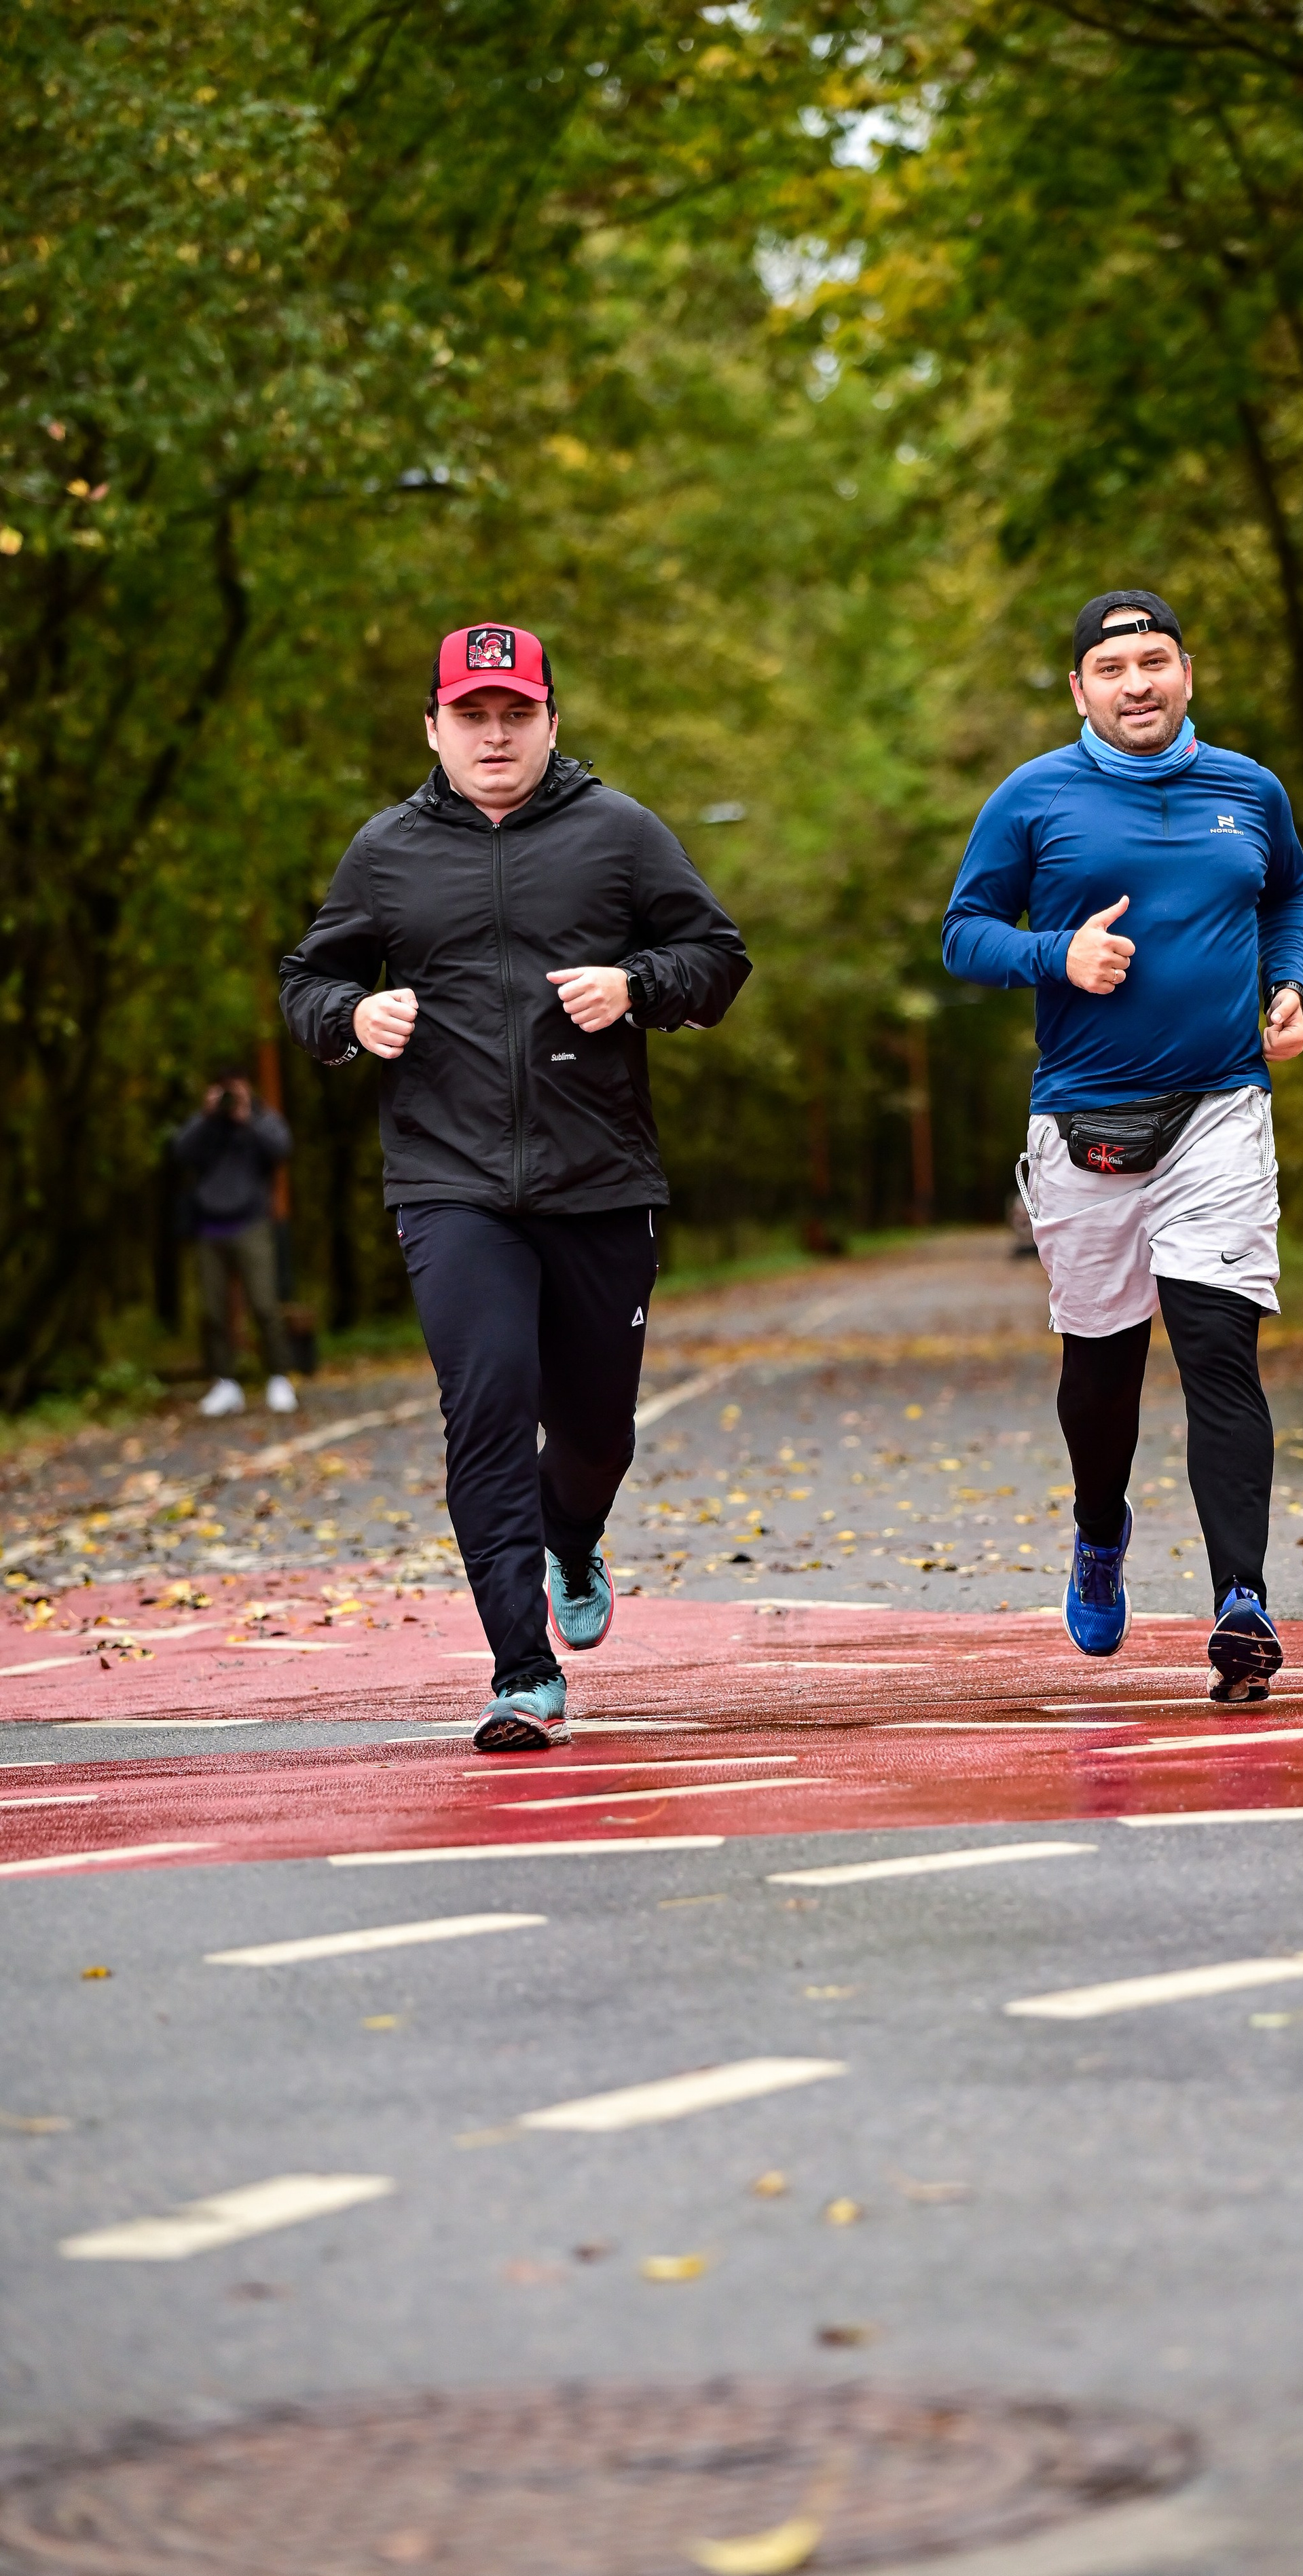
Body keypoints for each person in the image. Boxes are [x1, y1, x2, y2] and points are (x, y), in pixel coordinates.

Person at [279, 621, 750, 1749]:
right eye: (471, 716)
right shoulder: (386, 849)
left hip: (600, 1178)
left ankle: (571, 1537)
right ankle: (522, 1672)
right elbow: (308, 979)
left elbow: (717, 959)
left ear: (550, 721)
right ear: (432, 728)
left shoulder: (619, 831)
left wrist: (635, 985)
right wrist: (352, 1014)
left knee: (594, 1433)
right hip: (449, 1181)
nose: (494, 736)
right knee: (485, 1405)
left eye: (515, 714)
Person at [941, 591, 1303, 1700]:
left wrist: (1288, 983)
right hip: (1085, 1121)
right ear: (1080, 689)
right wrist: (1056, 954)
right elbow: (965, 934)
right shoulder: (1033, 797)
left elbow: (1289, 892)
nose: (1136, 683)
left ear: (1188, 673)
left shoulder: (1249, 790)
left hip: (1222, 1109)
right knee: (1102, 1372)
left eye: (1155, 661)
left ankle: (1241, 1602)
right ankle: (1100, 1530)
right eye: (1112, 668)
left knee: (1218, 1347)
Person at [173, 1073, 298, 1419]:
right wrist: (206, 1116)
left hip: (251, 1224)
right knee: (213, 1312)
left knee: (265, 1306)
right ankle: (225, 1382)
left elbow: (282, 1149)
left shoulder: (261, 1118)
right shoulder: (206, 1125)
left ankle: (279, 1377)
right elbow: (180, 1152)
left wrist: (248, 1117)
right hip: (209, 1227)